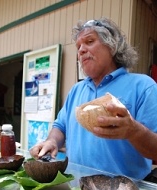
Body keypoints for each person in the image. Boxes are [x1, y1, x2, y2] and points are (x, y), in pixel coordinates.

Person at [30, 17, 157, 180]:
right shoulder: (76, 90)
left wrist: (133, 131)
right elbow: (60, 126)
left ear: (112, 46)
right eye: (78, 47)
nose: (81, 50)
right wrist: (52, 142)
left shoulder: (143, 86)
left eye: (89, 41)